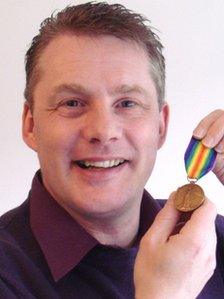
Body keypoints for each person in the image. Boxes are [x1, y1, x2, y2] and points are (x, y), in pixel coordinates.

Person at [0, 2, 223, 298]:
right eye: (72, 103)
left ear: (160, 126)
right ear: (31, 126)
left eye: (127, 103)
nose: (103, 131)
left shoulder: (211, 238)